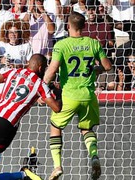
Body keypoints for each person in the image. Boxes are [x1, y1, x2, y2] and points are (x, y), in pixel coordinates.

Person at [42, 12, 112, 180]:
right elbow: (108, 66)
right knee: (86, 129)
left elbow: (51, 72)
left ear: (68, 26)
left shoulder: (62, 45)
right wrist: (95, 70)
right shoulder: (93, 43)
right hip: (88, 96)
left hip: (69, 96)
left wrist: (42, 86)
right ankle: (94, 156)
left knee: (55, 127)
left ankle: (57, 166)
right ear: (84, 26)